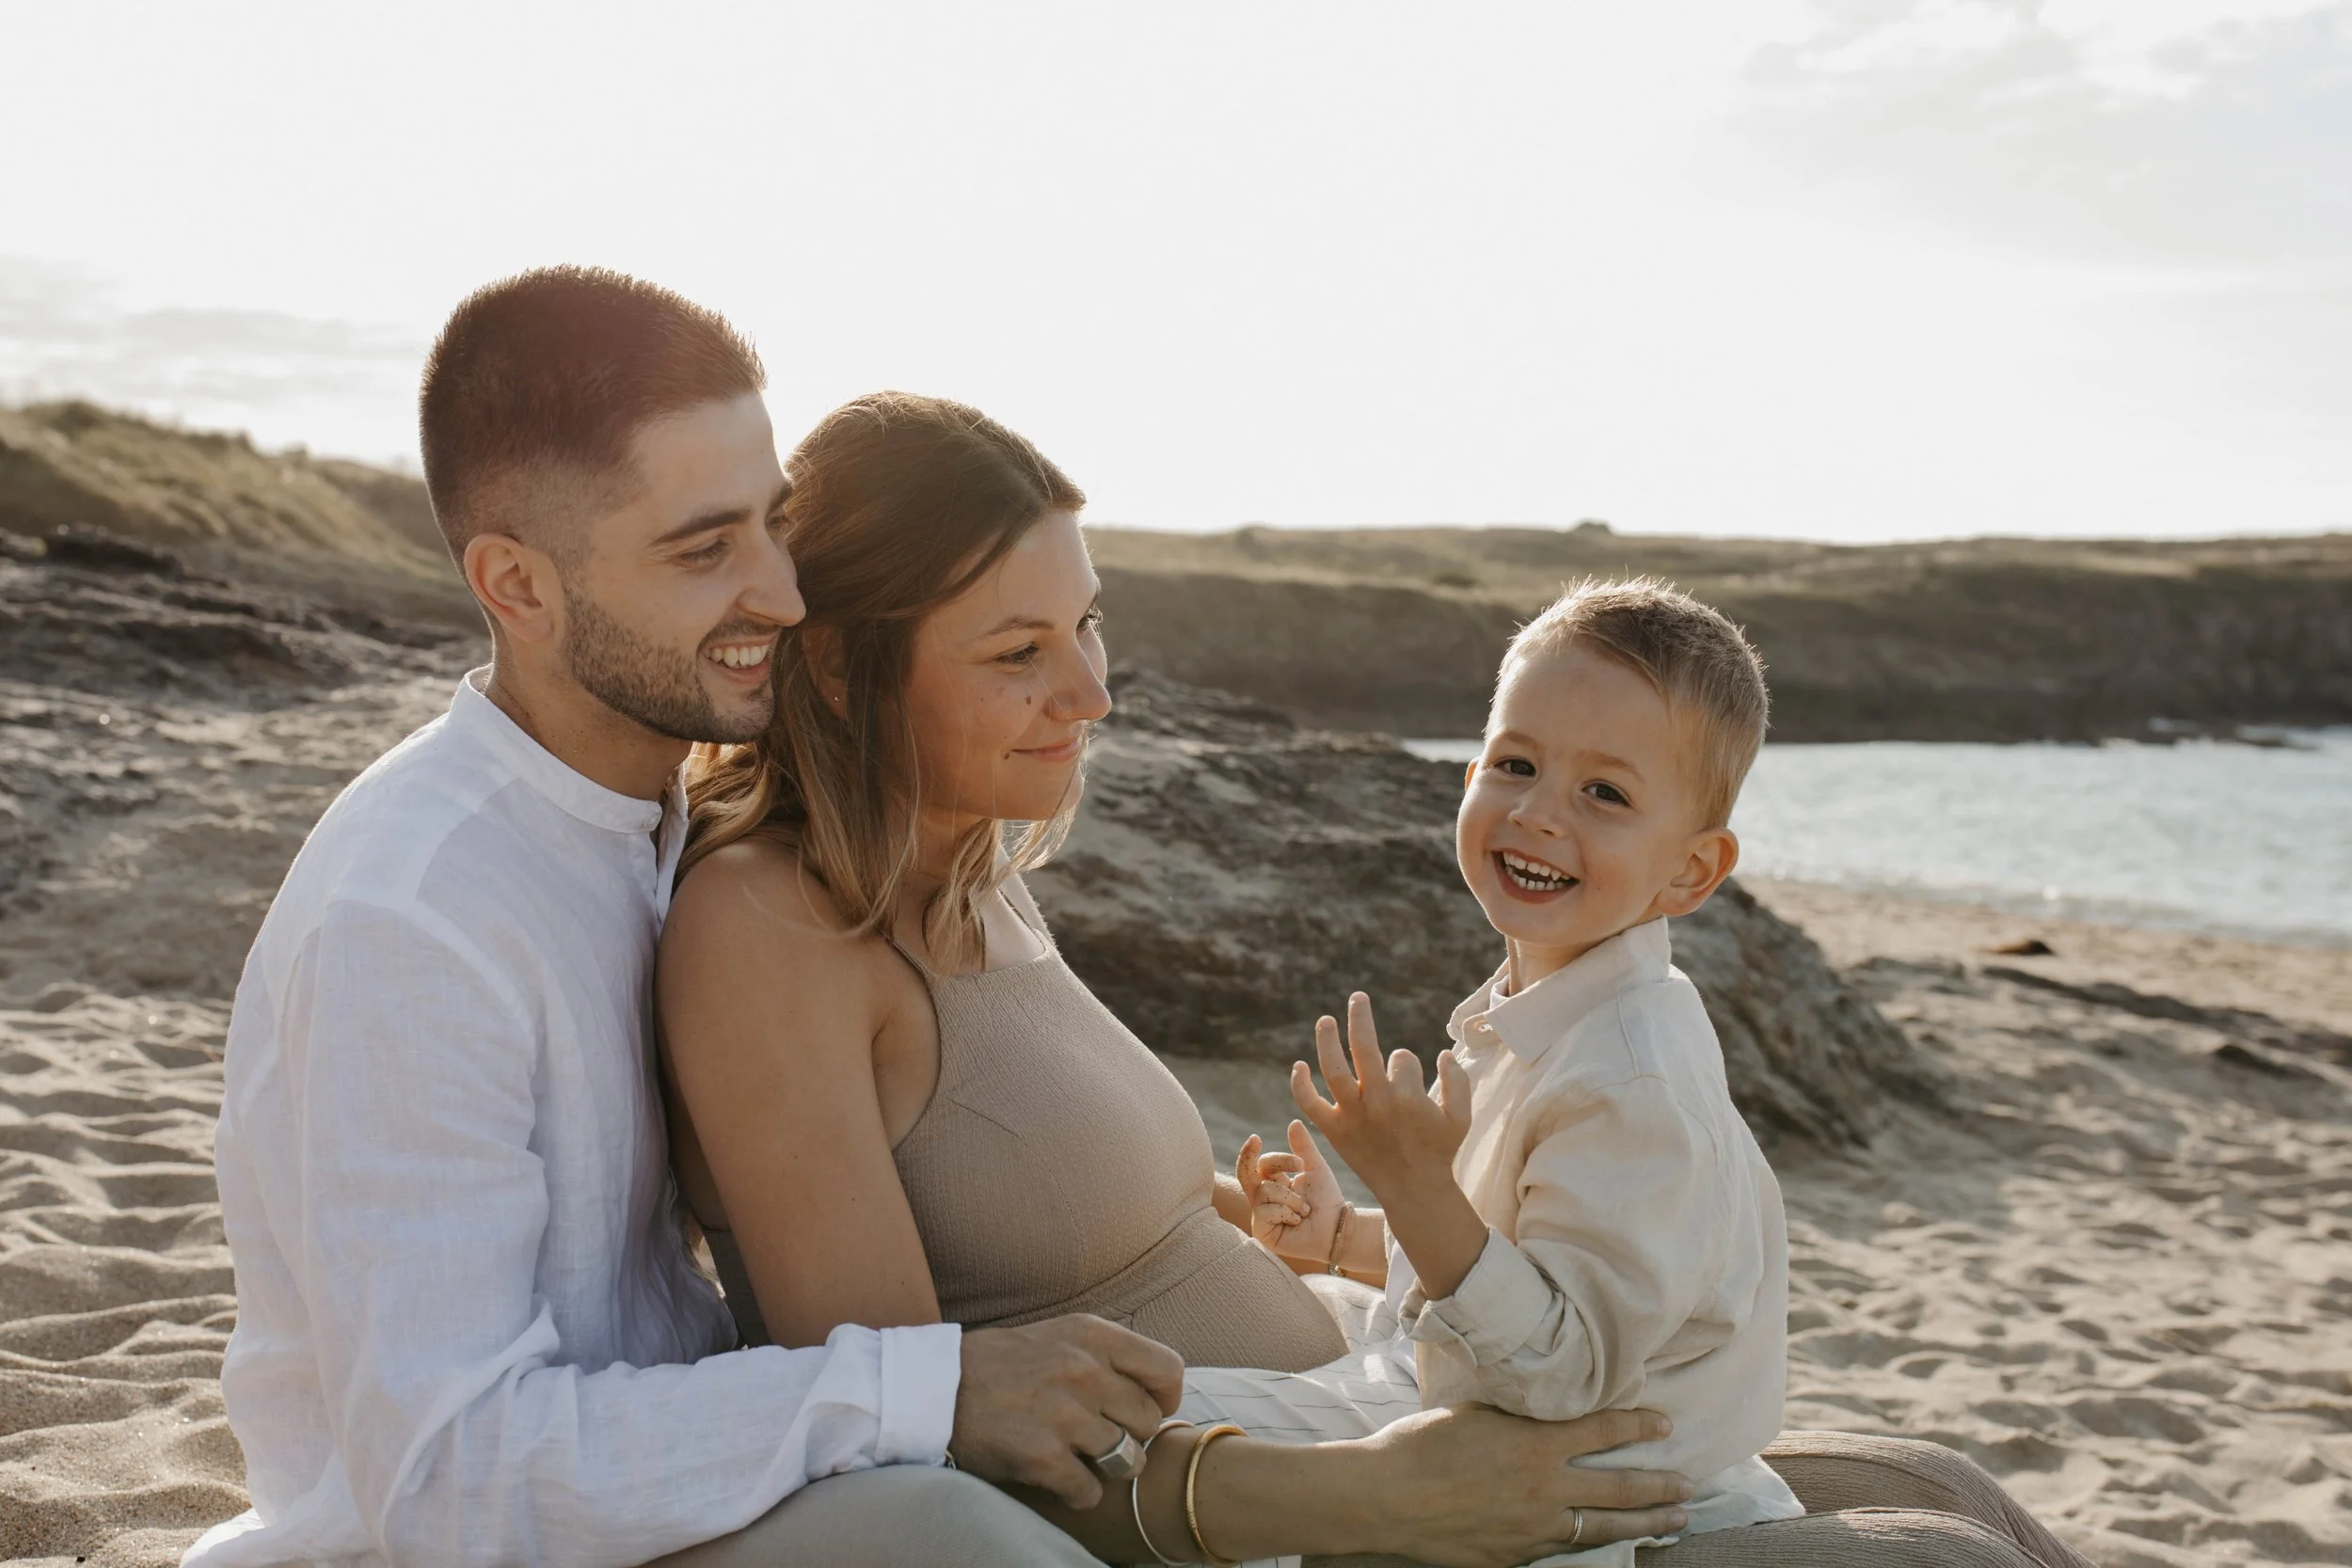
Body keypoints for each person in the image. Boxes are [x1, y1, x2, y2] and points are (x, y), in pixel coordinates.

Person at [189, 268, 1692, 1568]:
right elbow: (452, 1477)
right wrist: (945, 1392)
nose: (783, 595)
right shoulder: (415, 924)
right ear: (516, 584)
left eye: (772, 529)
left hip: (748, 1467)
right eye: (706, 549)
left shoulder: (655, 830)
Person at [658, 390, 1698, 1564]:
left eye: (1087, 624)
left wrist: (1289, 1221)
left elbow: (1028, 1189)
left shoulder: (969, 873)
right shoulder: (770, 928)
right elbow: (901, 1429)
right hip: (1263, 1514)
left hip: (1341, 1424)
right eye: (1019, 653)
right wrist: (1378, 1494)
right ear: (840, 664)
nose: (1091, 693)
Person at [1221, 580, 1803, 1565]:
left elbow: (1560, 1370)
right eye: (1516, 764)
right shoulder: (1545, 1008)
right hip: (1475, 1413)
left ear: (1691, 870)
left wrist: (1413, 1183)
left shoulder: (1632, 1084)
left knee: (1164, 1446)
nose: (1536, 813)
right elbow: (1508, 1252)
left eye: (1605, 793)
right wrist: (1345, 1235)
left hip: (1568, 1492)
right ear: (1469, 775)